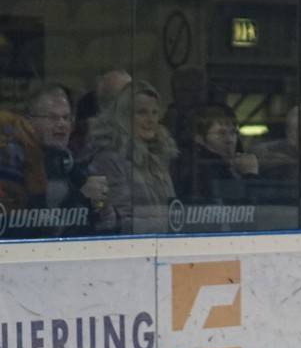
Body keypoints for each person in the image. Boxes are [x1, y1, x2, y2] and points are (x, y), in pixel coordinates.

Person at [1, 86, 107, 237]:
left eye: (66, 117)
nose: (62, 124)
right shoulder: (10, 162)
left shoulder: (74, 167)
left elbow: (96, 226)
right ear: (29, 122)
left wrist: (106, 213)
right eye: (52, 118)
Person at [83, 79, 178, 236]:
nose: (150, 120)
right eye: (142, 112)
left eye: (154, 113)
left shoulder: (159, 157)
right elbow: (119, 221)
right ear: (123, 115)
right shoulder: (107, 159)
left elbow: (172, 209)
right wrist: (170, 226)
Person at [174, 104, 260, 204]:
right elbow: (239, 209)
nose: (230, 140)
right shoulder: (202, 171)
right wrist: (250, 176)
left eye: (233, 132)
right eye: (221, 133)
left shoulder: (227, 167)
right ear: (199, 138)